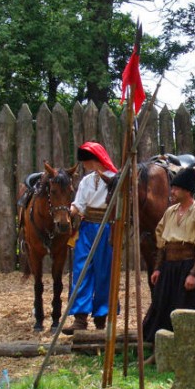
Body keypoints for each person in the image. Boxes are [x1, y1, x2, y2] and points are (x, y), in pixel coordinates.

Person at [142, 167, 195, 363]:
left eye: (176, 189)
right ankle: (160, 353)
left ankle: (187, 355)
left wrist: (193, 274)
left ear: (187, 191)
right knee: (163, 308)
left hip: (188, 267)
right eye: (172, 188)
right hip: (169, 269)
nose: (172, 192)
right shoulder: (170, 212)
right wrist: (158, 267)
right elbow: (161, 243)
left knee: (186, 310)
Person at [62, 141, 118, 335]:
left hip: (106, 229)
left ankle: (102, 318)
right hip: (86, 229)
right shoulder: (86, 180)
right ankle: (80, 318)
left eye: (86, 160)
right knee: (81, 270)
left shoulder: (115, 178)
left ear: (96, 159)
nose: (84, 164)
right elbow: (79, 204)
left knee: (104, 272)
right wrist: (67, 212)